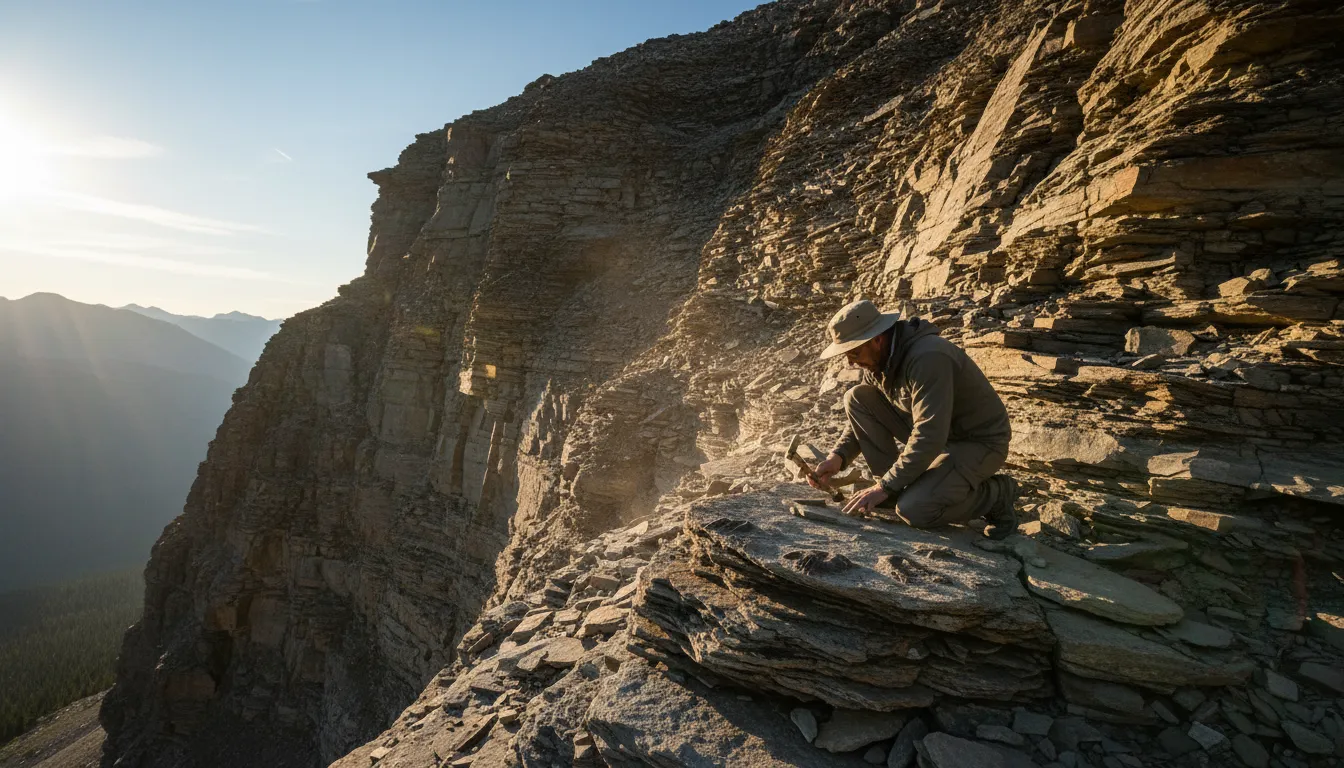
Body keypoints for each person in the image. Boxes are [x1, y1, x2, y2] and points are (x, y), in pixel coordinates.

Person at [809, 299, 1020, 538]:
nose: (850, 362)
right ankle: (895, 490)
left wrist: (884, 487)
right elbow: (867, 413)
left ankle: (997, 495)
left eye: (854, 352)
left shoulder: (928, 357)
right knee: (857, 397)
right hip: (939, 437)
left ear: (877, 339)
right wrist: (837, 458)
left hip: (977, 443)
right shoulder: (880, 361)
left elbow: (929, 435)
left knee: (915, 510)